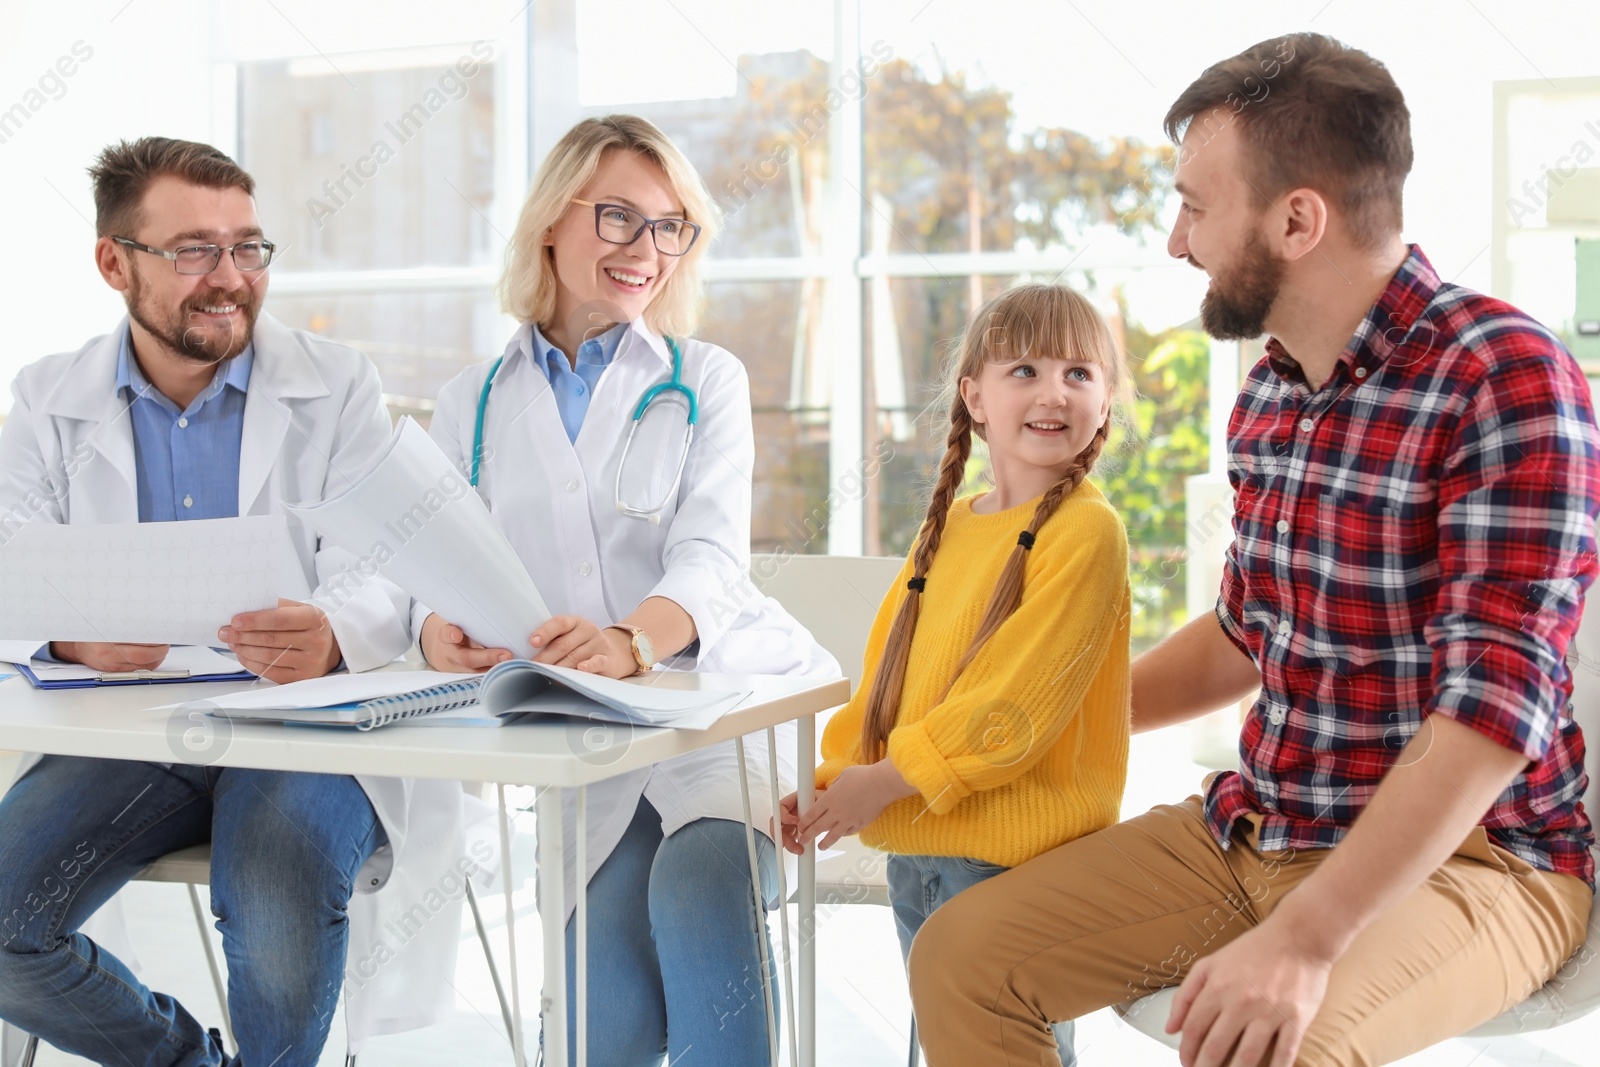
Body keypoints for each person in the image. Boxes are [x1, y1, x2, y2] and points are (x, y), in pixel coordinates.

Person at [908, 33, 1600, 1067]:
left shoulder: (1503, 375)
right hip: (1262, 826)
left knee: (1274, 1047)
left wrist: (1308, 935)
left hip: (1477, 861)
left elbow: (1491, 712)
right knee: (961, 953)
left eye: (1195, 205)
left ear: (1295, 219)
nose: (1177, 239)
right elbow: (1246, 631)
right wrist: (1037, 720)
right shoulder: (1271, 389)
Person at [0, 137, 469, 1065]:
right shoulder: (47, 399)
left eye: (248, 247)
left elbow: (393, 559)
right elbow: (11, 569)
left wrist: (334, 631)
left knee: (274, 886)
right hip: (136, 728)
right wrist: (68, 636)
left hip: (303, 723)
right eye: (193, 251)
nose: (230, 278)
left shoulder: (335, 387)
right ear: (113, 262)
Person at [410, 114, 838, 1066]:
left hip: (722, 714)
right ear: (552, 222)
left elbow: (714, 560)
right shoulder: (472, 400)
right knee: (607, 1031)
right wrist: (438, 625)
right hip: (588, 743)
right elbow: (425, 562)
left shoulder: (704, 379)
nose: (647, 249)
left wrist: (631, 641)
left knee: (694, 888)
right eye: (619, 218)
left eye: (670, 225)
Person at [778, 282, 1135, 1066]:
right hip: (922, 856)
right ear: (974, 395)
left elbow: (1011, 710)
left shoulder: (1088, 534)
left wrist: (879, 784)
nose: (1054, 392)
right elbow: (888, 679)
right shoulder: (950, 527)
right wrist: (840, 776)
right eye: (1027, 370)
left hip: (1017, 868)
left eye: (1080, 373)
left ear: (1106, 402)